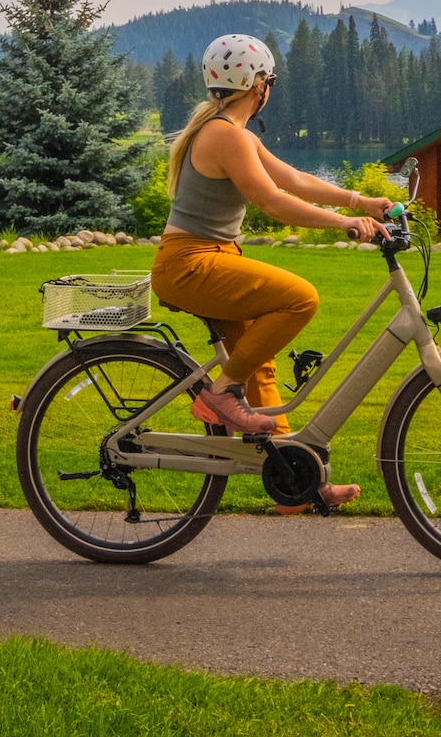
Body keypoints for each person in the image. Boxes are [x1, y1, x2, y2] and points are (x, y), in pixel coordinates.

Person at [150, 33, 392, 511]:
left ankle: (295, 482)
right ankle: (219, 395)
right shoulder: (223, 134)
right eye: (269, 78)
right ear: (254, 83)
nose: (270, 87)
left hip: (212, 259)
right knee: (299, 298)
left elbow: (294, 179)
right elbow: (273, 201)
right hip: (191, 263)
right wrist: (346, 224)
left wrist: (359, 201)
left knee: (258, 362)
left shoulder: (234, 134)